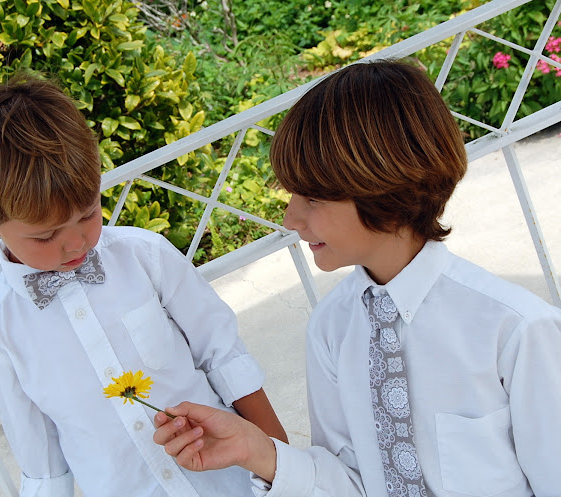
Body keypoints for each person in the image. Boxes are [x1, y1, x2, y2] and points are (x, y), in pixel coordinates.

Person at [153, 60, 561, 497]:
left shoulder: (515, 329)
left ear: (386, 187)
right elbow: (352, 481)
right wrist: (260, 452)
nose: (291, 218)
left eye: (313, 197)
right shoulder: (332, 327)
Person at [0, 73, 287, 497]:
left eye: (89, 213)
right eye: (44, 236)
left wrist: (285, 465)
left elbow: (225, 357)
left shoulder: (145, 256)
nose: (76, 243)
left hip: (232, 484)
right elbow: (44, 467)